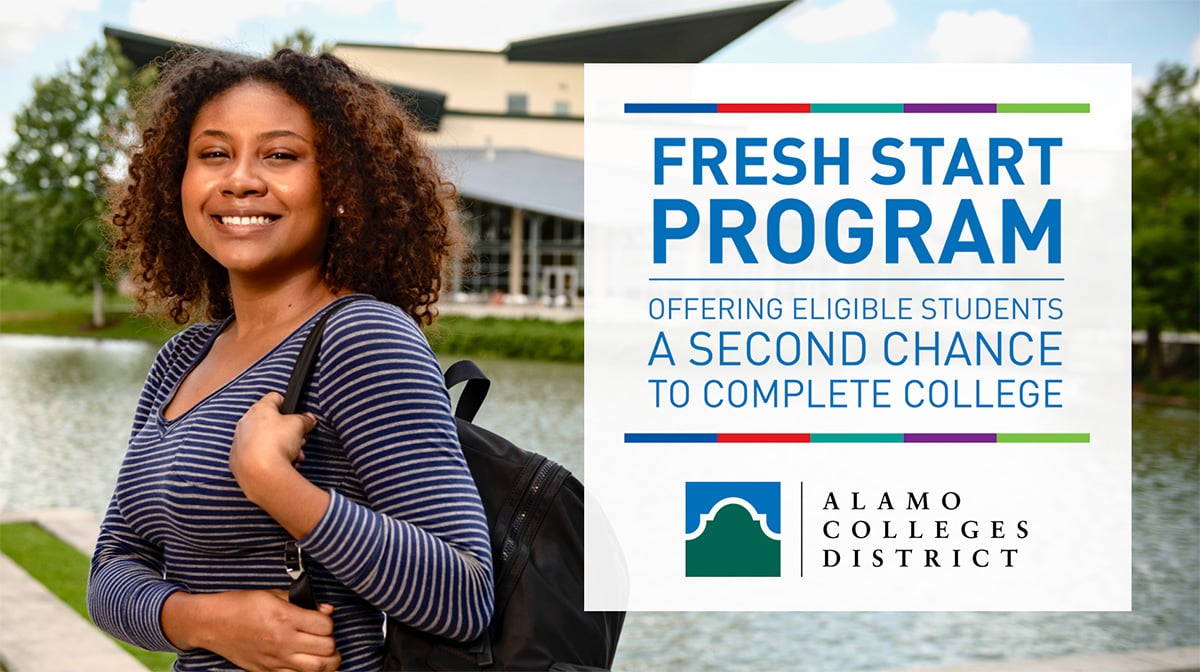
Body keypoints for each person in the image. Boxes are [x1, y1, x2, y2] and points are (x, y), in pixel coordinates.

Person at [88, 47, 494, 672]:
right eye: (214, 154)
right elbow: (110, 569)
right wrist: (206, 621)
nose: (241, 179)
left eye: (280, 155)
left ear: (339, 186)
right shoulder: (183, 358)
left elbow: (464, 596)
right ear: (180, 180)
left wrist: (277, 485)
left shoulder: (362, 339)